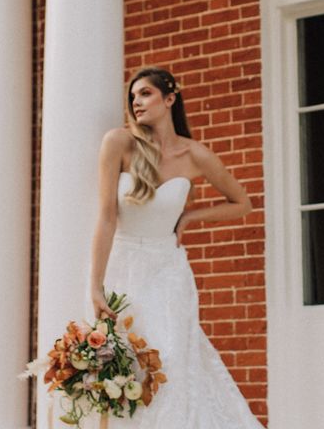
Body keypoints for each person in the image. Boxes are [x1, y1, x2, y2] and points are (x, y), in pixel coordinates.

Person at [89, 67, 264, 428]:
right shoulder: (119, 143)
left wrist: (189, 218)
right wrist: (95, 285)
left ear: (170, 99)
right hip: (124, 266)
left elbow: (241, 202)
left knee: (169, 360)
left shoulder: (194, 154)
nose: (136, 102)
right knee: (126, 366)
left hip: (167, 270)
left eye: (146, 94)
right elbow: (106, 216)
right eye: (133, 96)